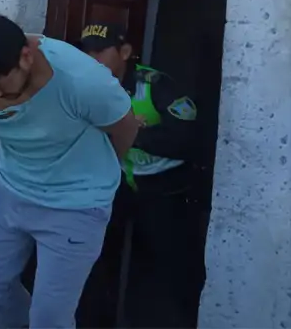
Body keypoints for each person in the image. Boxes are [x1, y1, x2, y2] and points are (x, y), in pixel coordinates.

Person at [0, 12, 141, 329]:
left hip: (74, 204)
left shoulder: (83, 81)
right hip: (8, 189)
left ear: (26, 57)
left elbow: (125, 127)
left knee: (49, 319)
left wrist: (97, 173)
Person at [77, 22, 206, 329]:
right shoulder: (84, 87)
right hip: (115, 185)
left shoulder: (156, 85)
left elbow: (187, 141)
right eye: (87, 53)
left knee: (167, 272)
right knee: (96, 262)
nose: (92, 59)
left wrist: (130, 133)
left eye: (100, 51)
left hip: (163, 192)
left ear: (124, 51)